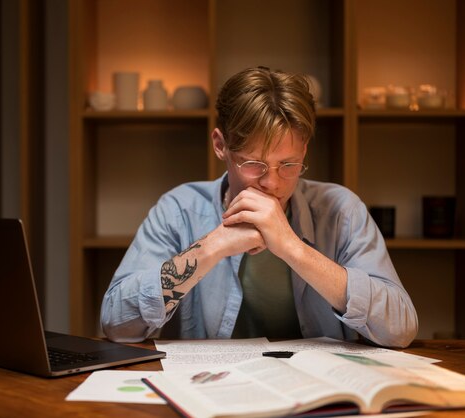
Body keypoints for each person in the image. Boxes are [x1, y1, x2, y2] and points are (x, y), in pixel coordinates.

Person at [100, 67, 418, 348]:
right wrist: (210, 247)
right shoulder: (179, 210)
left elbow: (400, 329)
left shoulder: (341, 209)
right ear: (220, 145)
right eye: (254, 164)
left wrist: (292, 248)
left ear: (305, 148)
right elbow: (116, 323)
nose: (272, 183)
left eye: (289, 164)